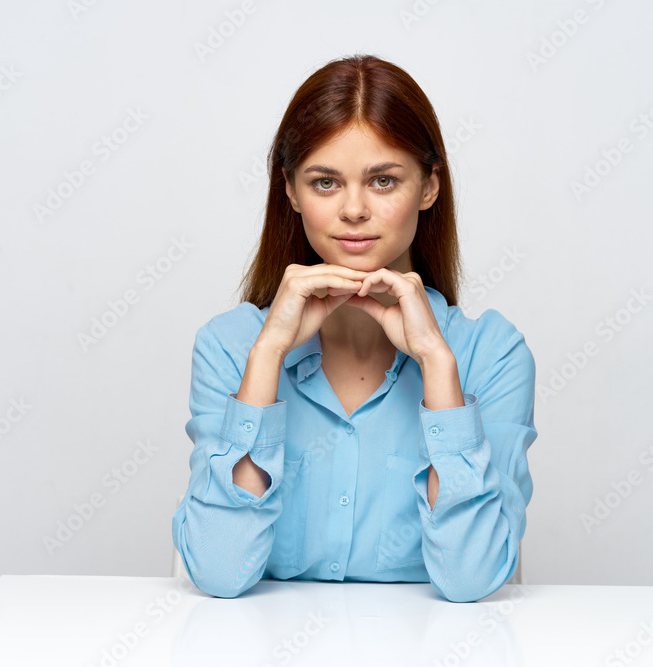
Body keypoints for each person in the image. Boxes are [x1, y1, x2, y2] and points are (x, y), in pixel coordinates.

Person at [172, 54, 537, 603]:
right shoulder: (230, 346)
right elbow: (220, 573)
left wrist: (437, 366)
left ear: (429, 188)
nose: (354, 210)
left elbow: (471, 580)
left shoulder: (492, 352)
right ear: (291, 192)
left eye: (384, 181)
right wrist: (268, 355)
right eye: (325, 183)